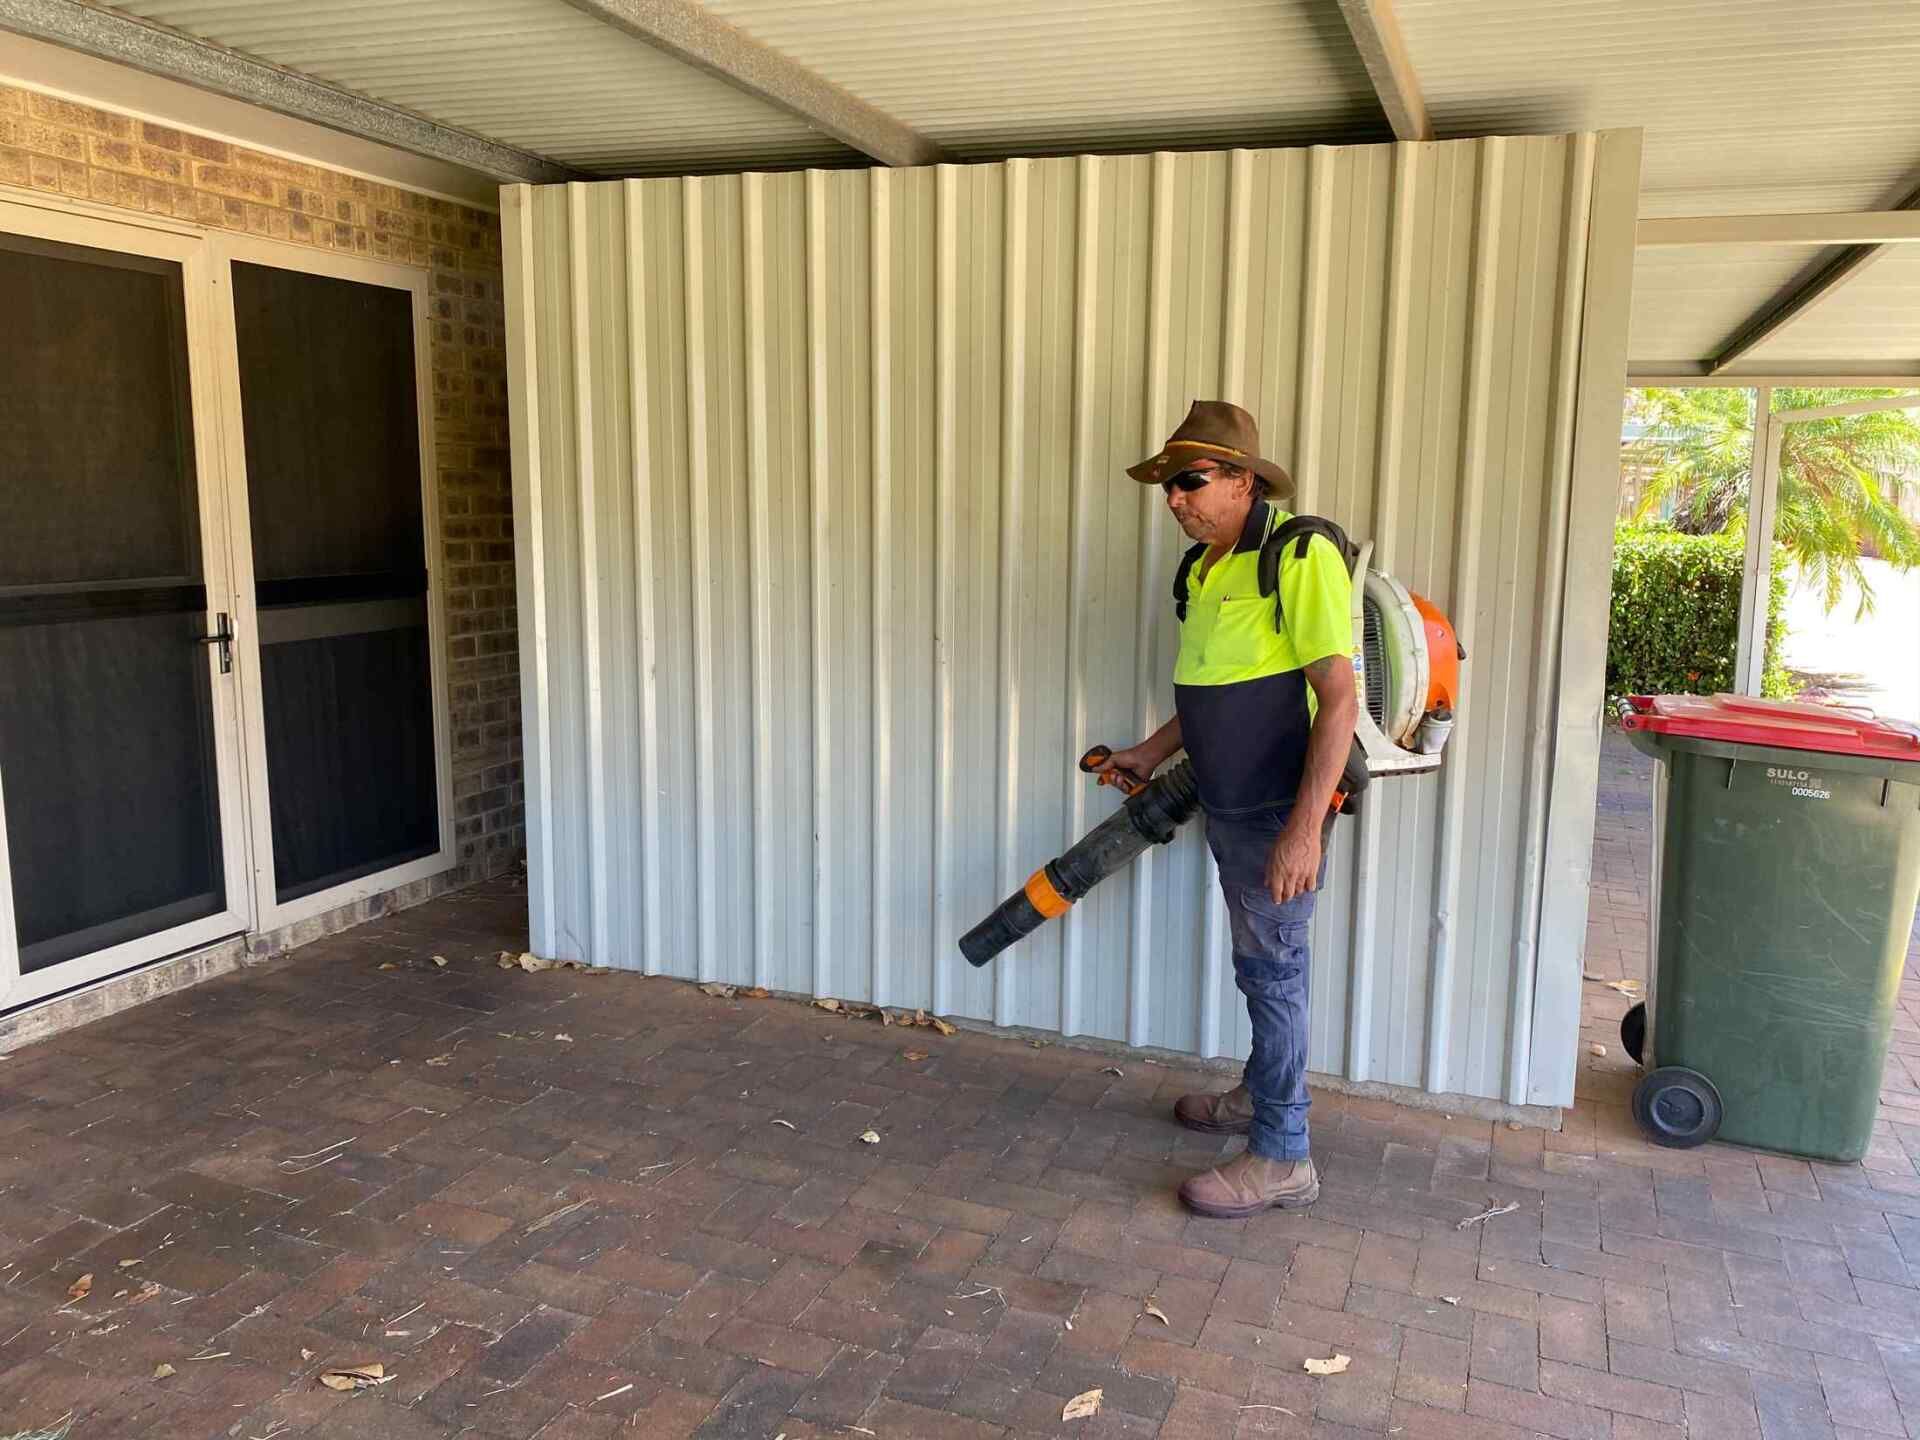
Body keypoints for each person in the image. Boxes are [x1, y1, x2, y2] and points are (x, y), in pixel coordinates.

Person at [1096, 400, 1358, 1218]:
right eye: (1168, 487)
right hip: (1228, 801)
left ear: (1244, 480)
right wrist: (1150, 752)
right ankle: (1257, 1096)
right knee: (1258, 968)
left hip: (1277, 810)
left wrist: (1303, 831)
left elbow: (1339, 698)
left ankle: (1284, 1154)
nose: (1175, 498)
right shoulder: (1201, 570)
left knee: (1275, 972)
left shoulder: (1298, 554)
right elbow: (1211, 688)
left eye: (1191, 481)